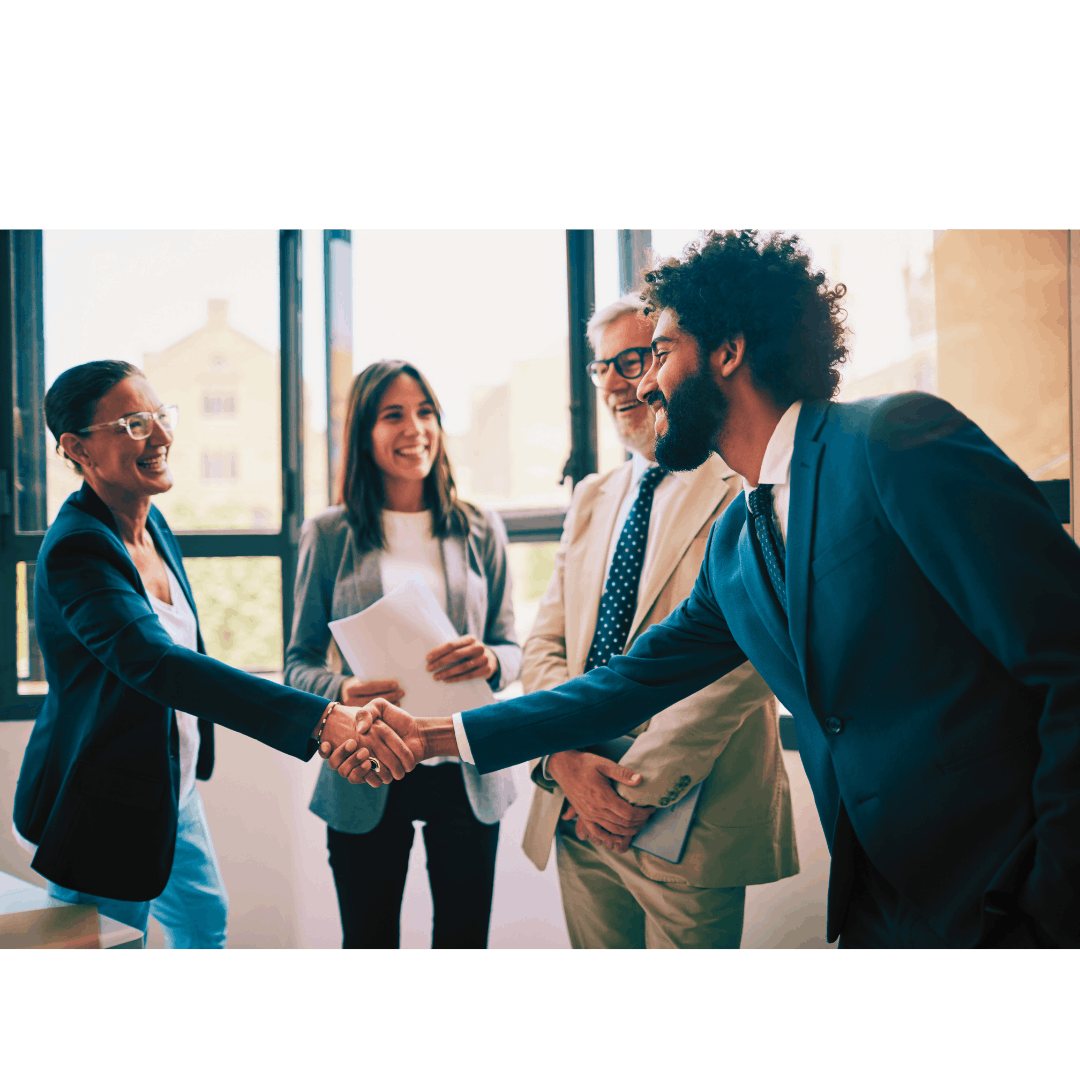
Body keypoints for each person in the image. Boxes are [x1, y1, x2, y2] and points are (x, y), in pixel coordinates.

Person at [330, 230, 1080, 951]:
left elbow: (1067, 659)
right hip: (880, 905)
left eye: (658, 353)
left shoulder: (893, 442)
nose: (644, 383)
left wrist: (1054, 897)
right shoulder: (738, 543)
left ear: (728, 351)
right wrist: (433, 737)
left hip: (1006, 889)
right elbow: (622, 686)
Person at [14, 360, 384, 949]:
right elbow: (158, 665)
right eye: (134, 424)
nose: (161, 436)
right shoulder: (77, 551)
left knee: (204, 924)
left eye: (160, 416)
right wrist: (318, 718)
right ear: (77, 448)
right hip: (103, 797)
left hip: (168, 784)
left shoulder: (150, 522)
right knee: (107, 941)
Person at [520, 293, 797, 949]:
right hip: (575, 807)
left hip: (688, 820)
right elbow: (545, 644)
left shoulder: (743, 481)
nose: (618, 382)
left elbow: (746, 659)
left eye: (634, 359)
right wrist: (563, 760)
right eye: (602, 367)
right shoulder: (592, 495)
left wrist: (634, 794)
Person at [285, 360, 521, 950]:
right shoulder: (330, 533)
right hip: (366, 764)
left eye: (425, 412)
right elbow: (296, 661)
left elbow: (514, 646)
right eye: (393, 415)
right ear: (364, 432)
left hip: (463, 763)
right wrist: (339, 691)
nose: (414, 427)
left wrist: (491, 662)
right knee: (368, 940)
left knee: (464, 940)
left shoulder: (479, 527)